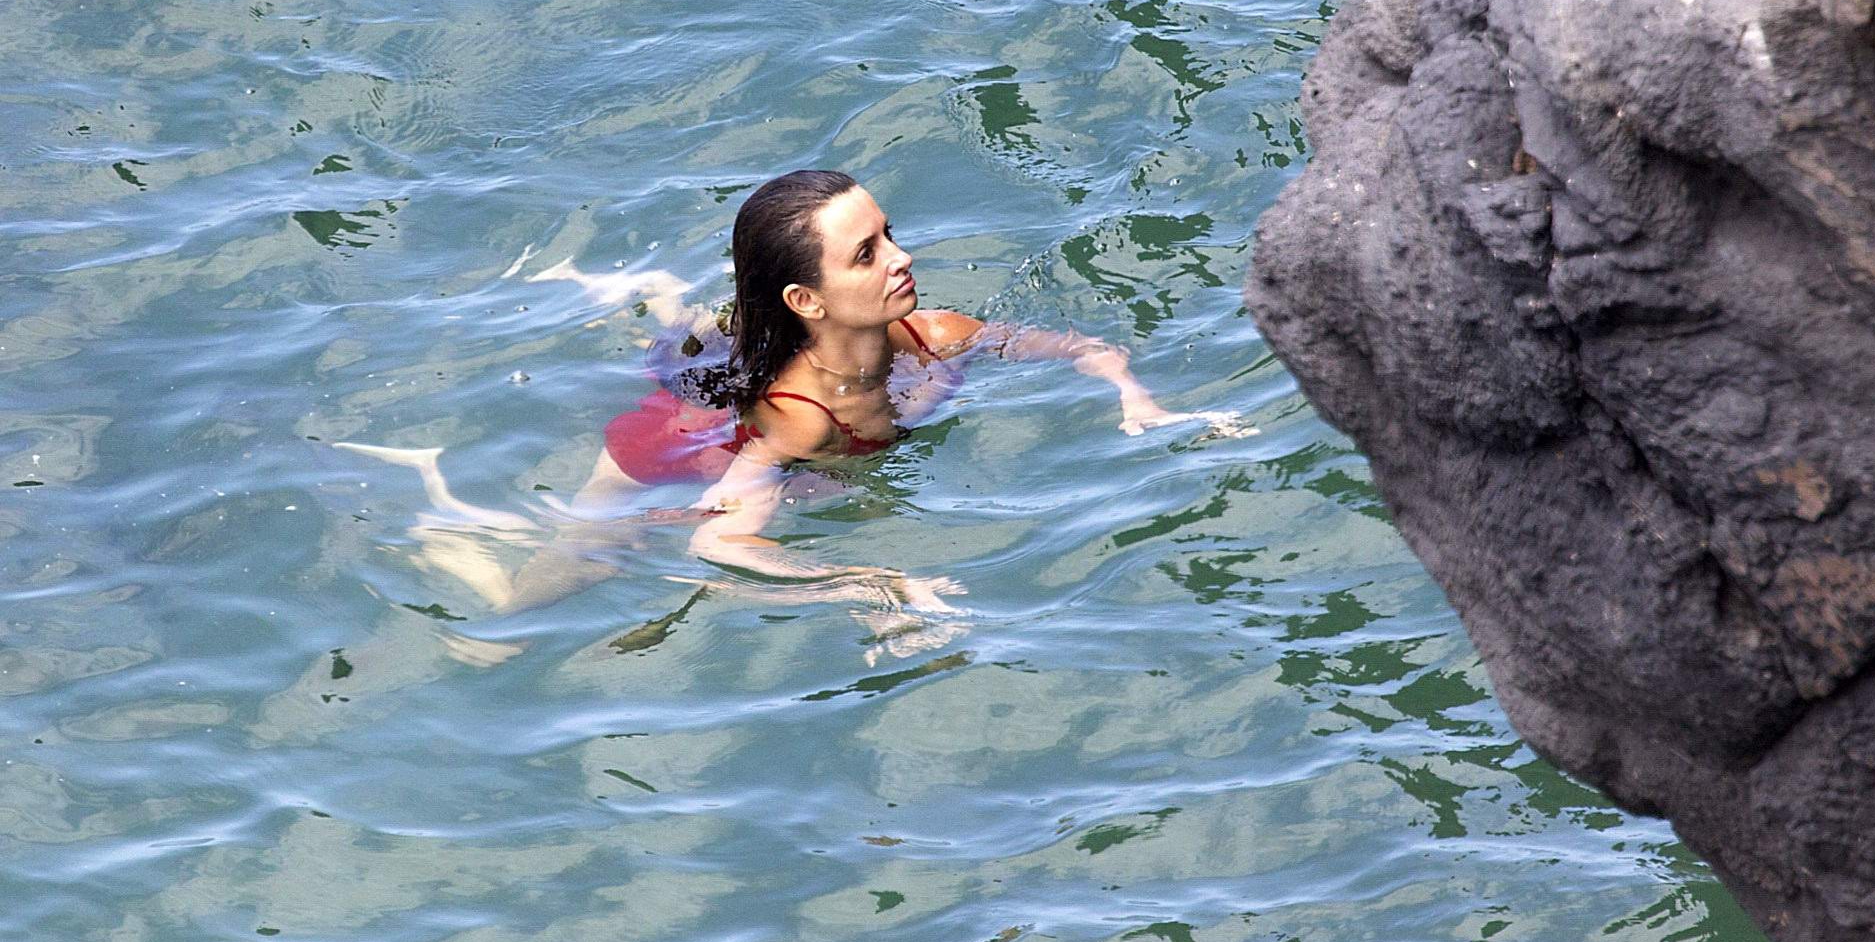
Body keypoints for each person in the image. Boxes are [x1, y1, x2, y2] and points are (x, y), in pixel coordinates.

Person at [340, 169, 1252, 654]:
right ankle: (434, 500)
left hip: (756, 370)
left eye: (888, 233)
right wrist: (870, 583)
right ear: (809, 299)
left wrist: (1140, 401)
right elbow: (719, 542)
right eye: (866, 253)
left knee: (705, 338)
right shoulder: (799, 421)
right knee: (506, 631)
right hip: (672, 443)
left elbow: (1082, 347)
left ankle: (660, 301)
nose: (898, 256)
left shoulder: (932, 332)